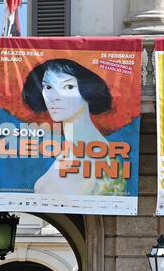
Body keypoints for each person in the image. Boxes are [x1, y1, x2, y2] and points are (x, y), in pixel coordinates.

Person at [21, 59, 128, 198]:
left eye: (68, 87)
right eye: (48, 87)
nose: (55, 97)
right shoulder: (76, 150)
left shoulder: (94, 156)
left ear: (88, 89)